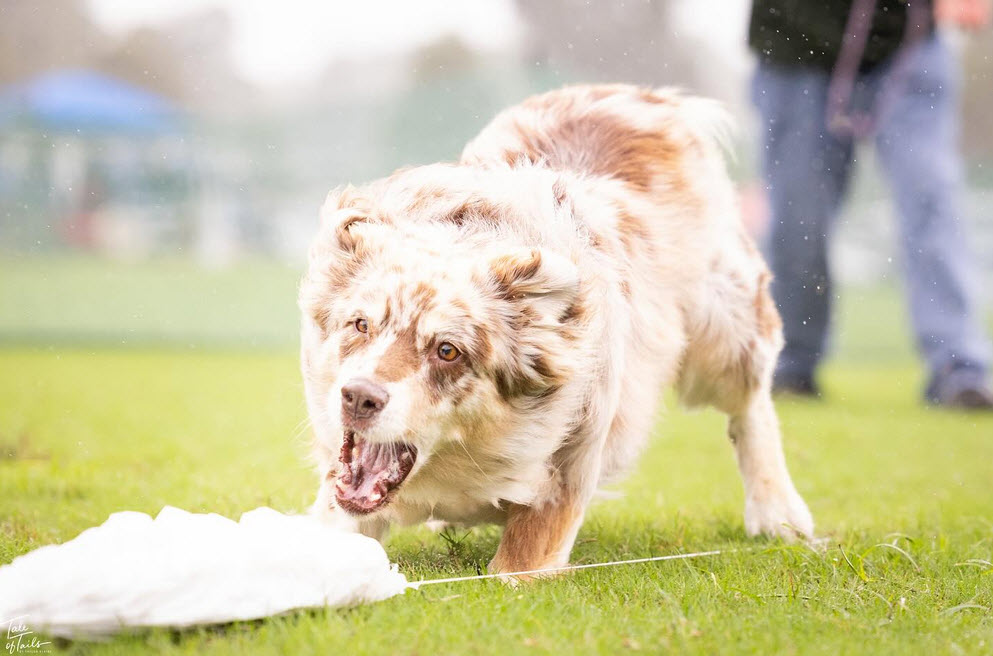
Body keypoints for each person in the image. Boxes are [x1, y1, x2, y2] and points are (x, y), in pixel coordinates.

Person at [749, 0, 993, 409]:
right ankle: (790, 362)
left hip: (908, 39)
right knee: (798, 215)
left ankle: (958, 366)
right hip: (793, 44)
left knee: (930, 196)